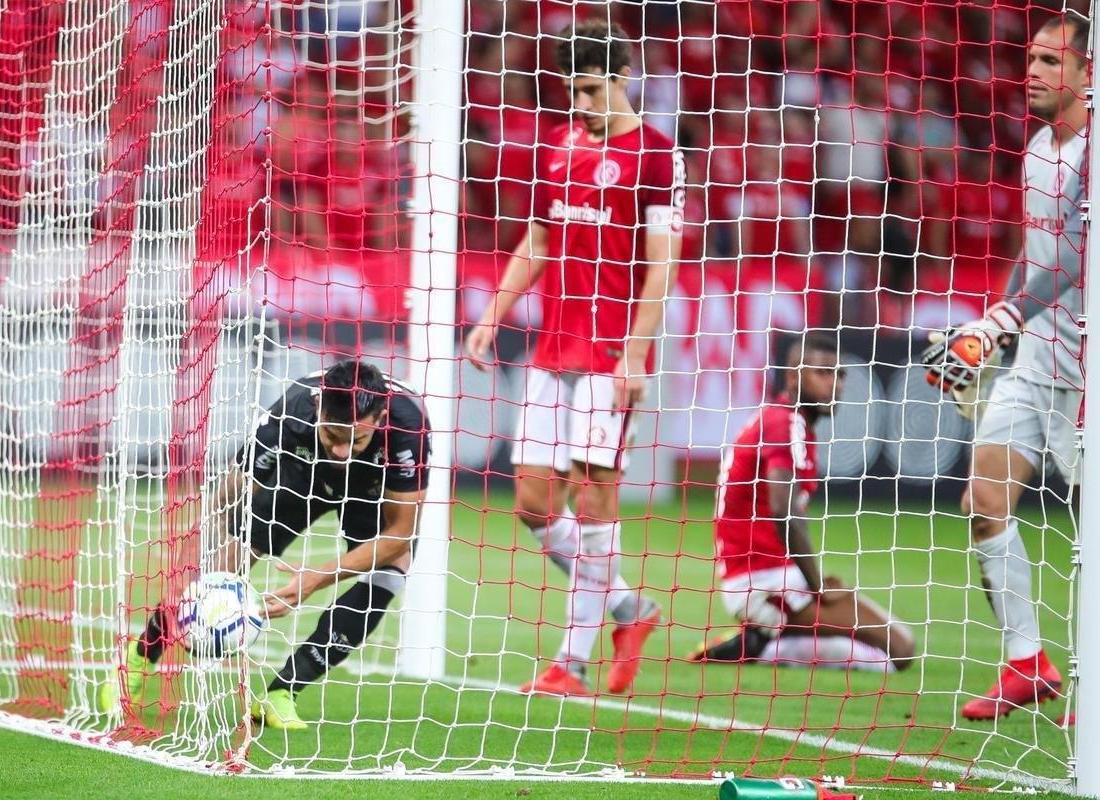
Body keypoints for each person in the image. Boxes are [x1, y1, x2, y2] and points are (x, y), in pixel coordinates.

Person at [465, 18, 685, 697]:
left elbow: (662, 267)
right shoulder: (556, 145)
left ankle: (573, 661)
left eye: (591, 91)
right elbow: (538, 239)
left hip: (610, 354)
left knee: (594, 505)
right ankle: (629, 609)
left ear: (622, 78)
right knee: (533, 502)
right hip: (551, 348)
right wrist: (495, 312)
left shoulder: (657, 155)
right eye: (573, 93)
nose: (581, 106)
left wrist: (636, 357)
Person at [98, 359, 429, 729]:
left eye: (356, 439)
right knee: (226, 558)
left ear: (381, 418)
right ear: (319, 409)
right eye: (333, 436)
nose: (342, 450)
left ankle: (282, 693)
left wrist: (316, 578)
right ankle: (138, 660)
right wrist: (197, 555)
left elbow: (399, 534)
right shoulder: (290, 413)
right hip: (304, 475)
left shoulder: (408, 428)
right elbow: (231, 492)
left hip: (371, 490)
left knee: (390, 573)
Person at [921, 12, 1088, 721]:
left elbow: (1080, 252)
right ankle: (1027, 662)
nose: (1035, 72)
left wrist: (1001, 322)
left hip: (1089, 370)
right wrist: (989, 330)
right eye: (1032, 59)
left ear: (1089, 73)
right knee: (983, 502)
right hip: (1035, 356)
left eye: (1053, 61)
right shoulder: (1040, 149)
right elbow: (1039, 253)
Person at [690, 333, 915, 672]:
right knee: (897, 651)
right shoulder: (786, 422)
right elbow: (784, 511)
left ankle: (759, 641)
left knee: (893, 648)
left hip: (772, 577)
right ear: (794, 377)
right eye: (823, 373)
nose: (834, 384)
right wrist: (817, 584)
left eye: (840, 375)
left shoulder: (788, 423)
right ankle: (758, 647)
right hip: (762, 584)